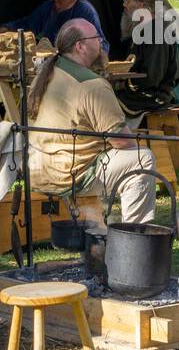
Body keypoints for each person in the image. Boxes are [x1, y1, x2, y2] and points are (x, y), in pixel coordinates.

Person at [29, 19, 157, 222]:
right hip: (70, 177)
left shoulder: (46, 73)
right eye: (96, 38)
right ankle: (135, 234)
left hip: (38, 170)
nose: (101, 42)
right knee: (142, 159)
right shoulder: (93, 85)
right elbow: (123, 142)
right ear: (80, 46)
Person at [114, 0, 179, 115]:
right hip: (138, 94)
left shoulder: (157, 31)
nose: (124, 4)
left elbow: (151, 78)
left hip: (150, 97)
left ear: (141, 4)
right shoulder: (145, 29)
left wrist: (119, 85)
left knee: (100, 102)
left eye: (128, 0)